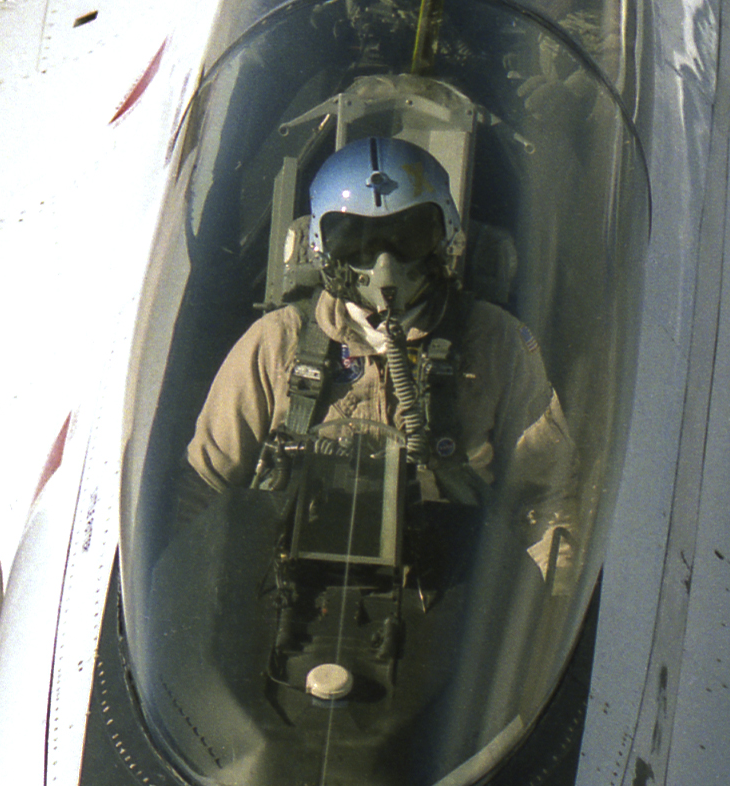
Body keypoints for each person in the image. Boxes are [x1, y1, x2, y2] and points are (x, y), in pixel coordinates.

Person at [187, 136, 575, 581]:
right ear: (321, 247)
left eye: (406, 236)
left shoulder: (496, 341)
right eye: (355, 241)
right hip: (290, 588)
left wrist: (552, 599)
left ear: (444, 234)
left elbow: (548, 500)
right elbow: (201, 489)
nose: (383, 265)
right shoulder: (277, 343)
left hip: (448, 596)